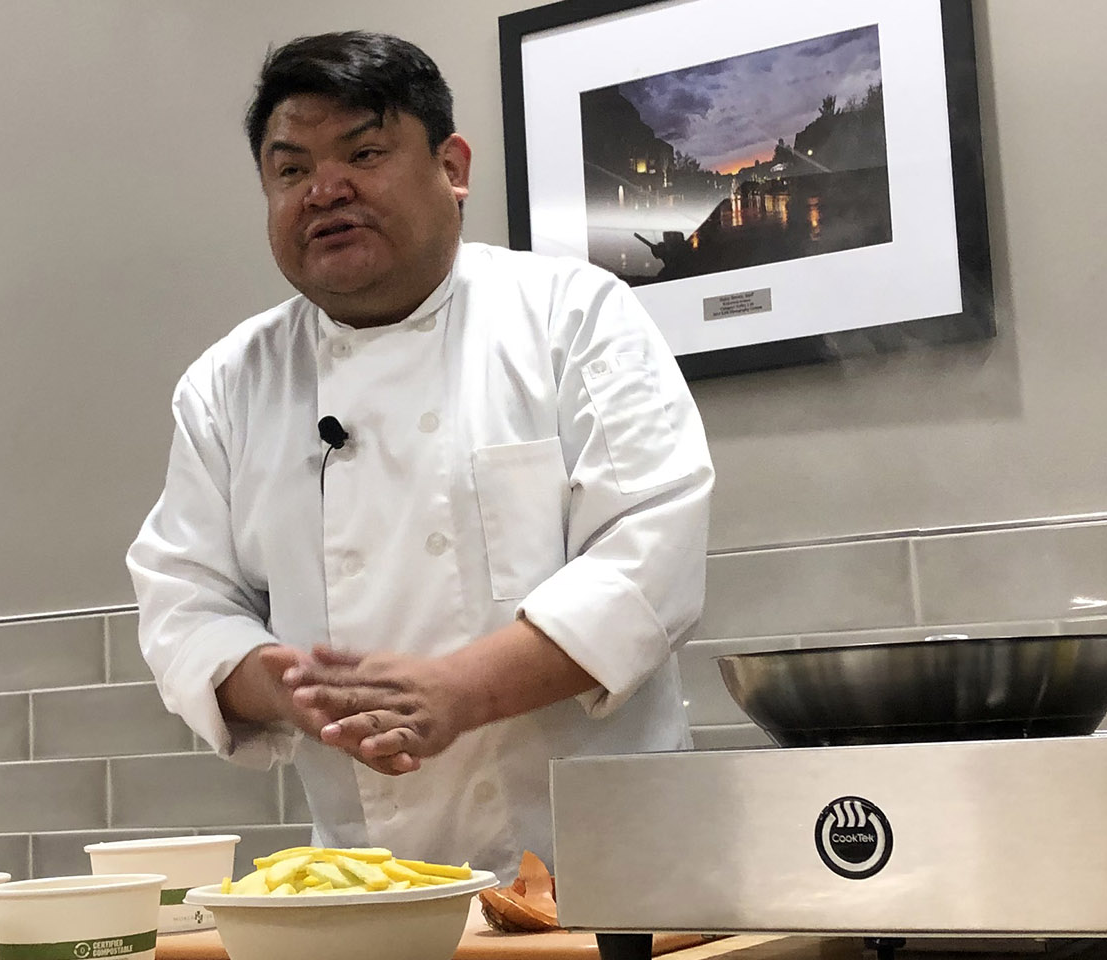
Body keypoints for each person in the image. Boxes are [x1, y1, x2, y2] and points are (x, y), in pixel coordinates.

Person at [126, 31, 713, 884]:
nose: (325, 190)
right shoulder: (228, 384)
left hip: (611, 879)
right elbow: (182, 604)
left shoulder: (572, 316)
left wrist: (460, 691)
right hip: (372, 892)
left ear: (453, 166)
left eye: (363, 152)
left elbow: (649, 558)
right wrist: (289, 686)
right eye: (290, 171)